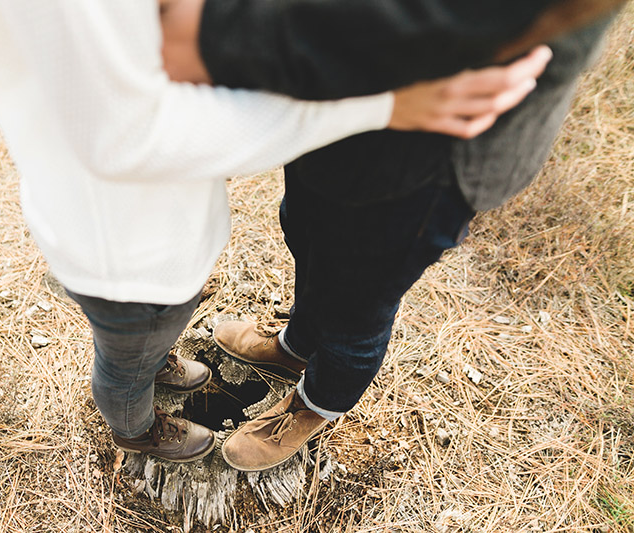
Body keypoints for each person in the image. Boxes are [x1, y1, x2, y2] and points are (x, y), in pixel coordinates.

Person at [0, 0, 553, 463]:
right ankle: (136, 426)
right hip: (124, 248)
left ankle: (309, 397)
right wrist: (372, 104)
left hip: (422, 162)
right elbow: (130, 128)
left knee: (358, 303)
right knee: (135, 348)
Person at [160, 0, 622, 471]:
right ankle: (297, 346)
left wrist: (204, 31)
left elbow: (410, 27)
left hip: (434, 155)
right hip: (338, 114)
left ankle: (317, 403)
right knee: (306, 235)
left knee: (357, 309)